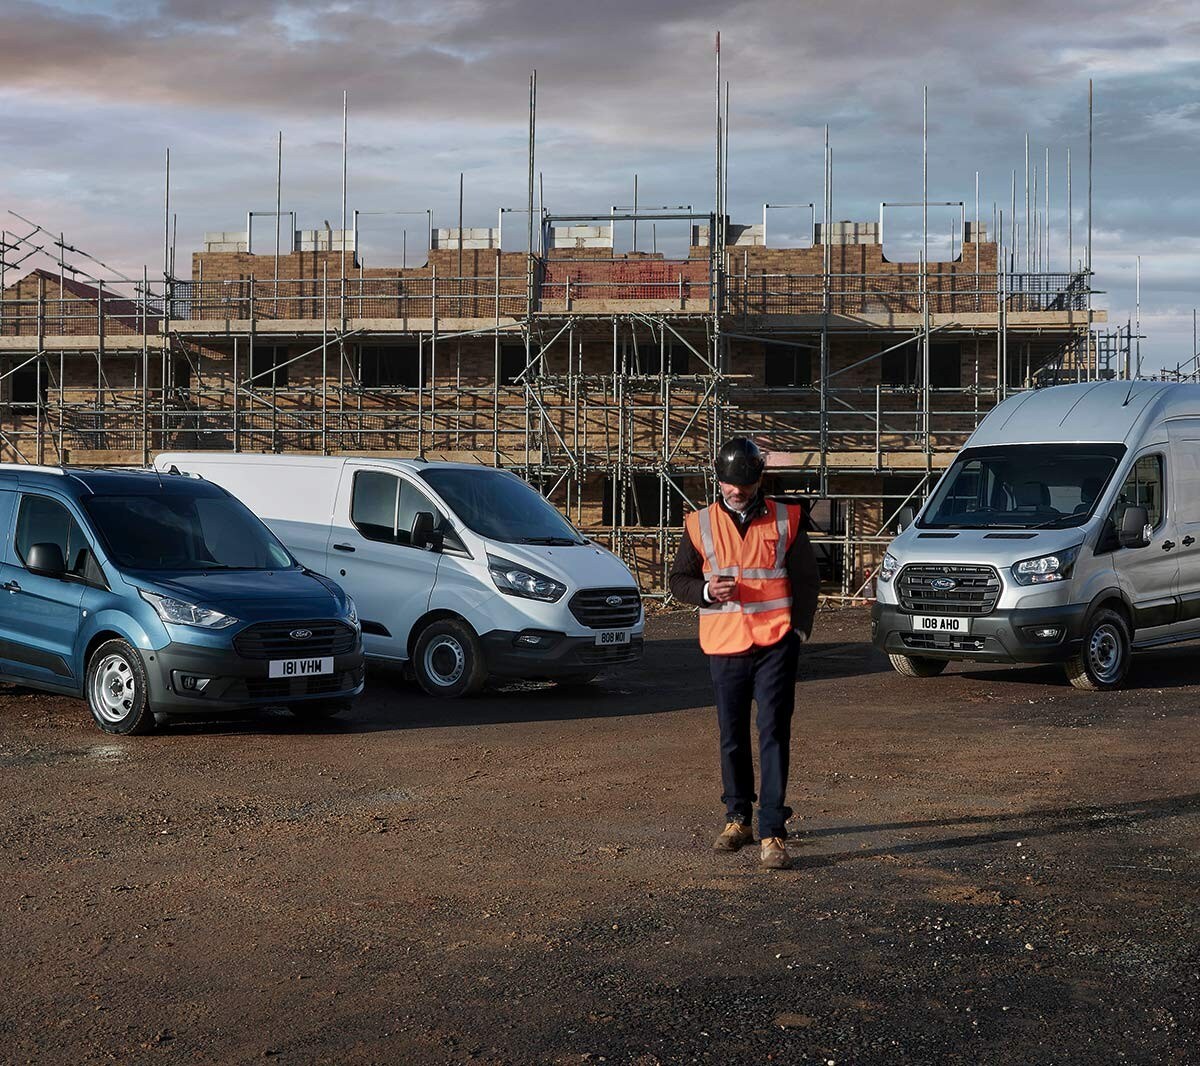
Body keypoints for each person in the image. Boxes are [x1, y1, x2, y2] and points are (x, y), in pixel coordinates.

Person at [669, 438, 820, 870]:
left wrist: (799, 630)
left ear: (758, 482)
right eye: (730, 484)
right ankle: (738, 818)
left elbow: (806, 579)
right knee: (731, 735)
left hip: (775, 644)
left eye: (745, 484)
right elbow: (678, 580)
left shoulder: (786, 518)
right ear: (718, 481)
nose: (737, 491)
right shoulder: (699, 524)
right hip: (725, 644)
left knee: (773, 732)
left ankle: (772, 828)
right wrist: (703, 591)